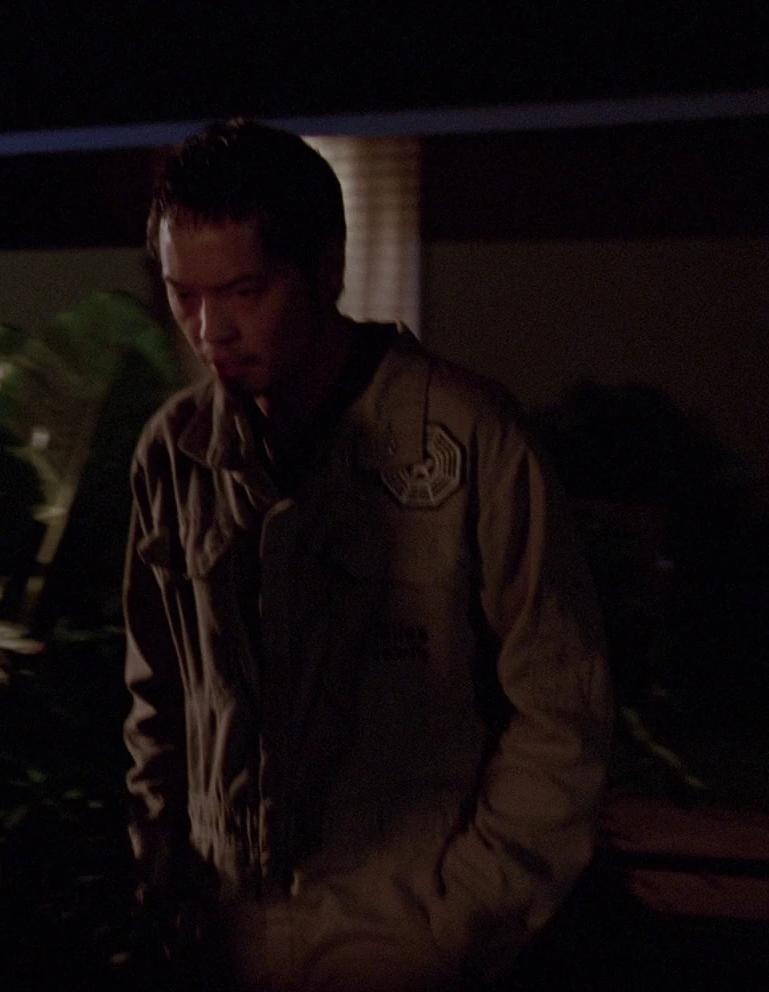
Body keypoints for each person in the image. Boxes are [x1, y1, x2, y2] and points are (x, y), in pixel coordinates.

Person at [122, 119, 613, 990]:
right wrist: (165, 876)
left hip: (403, 932)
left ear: (327, 271)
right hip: (222, 938)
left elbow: (560, 715)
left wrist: (453, 927)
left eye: (244, 292)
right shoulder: (176, 452)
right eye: (182, 295)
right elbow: (155, 694)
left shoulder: (467, 442)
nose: (209, 329)